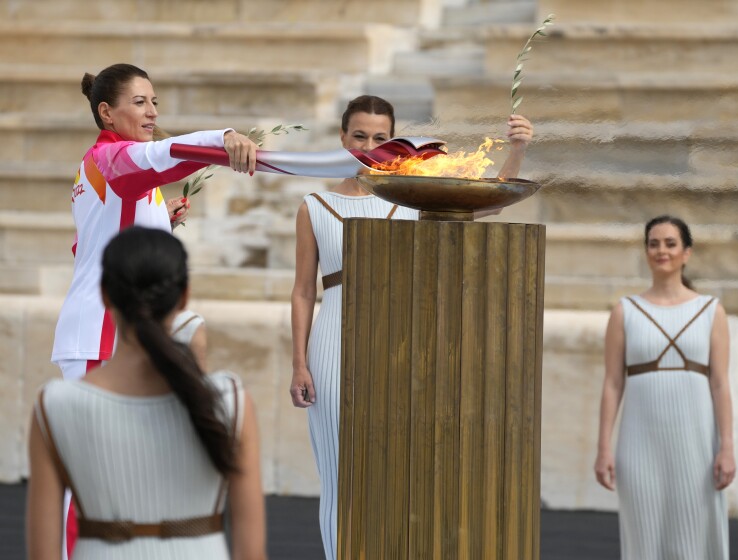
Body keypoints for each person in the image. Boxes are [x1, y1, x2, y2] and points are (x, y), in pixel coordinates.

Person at [289, 94, 534, 559]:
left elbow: (487, 204)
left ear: (396, 144)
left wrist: (517, 150)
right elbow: (304, 291)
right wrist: (299, 363)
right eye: (359, 135)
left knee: (393, 468)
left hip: (395, 340)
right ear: (342, 138)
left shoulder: (409, 200)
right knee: (340, 469)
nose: (368, 144)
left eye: (380, 138)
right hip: (334, 342)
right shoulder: (314, 205)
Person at [48, 63, 258, 557]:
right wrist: (224, 138)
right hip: (99, 333)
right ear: (106, 112)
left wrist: (162, 218)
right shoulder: (111, 159)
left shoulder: (108, 171)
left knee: (113, 476)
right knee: (87, 482)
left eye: (154, 101)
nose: (152, 111)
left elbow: (88, 248)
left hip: (107, 331)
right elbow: (164, 154)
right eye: (139, 102)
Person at [27, 227, 266, 559]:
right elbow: (251, 553)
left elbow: (42, 554)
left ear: (105, 295)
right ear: (184, 297)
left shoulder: (53, 406)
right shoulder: (231, 400)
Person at [593, 215, 736, 559]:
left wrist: (727, 447)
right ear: (646, 251)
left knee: (693, 537)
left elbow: (720, 383)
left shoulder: (710, 311)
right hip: (639, 441)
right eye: (654, 243)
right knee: (643, 536)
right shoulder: (625, 311)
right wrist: (603, 448)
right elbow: (613, 383)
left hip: (697, 441)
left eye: (670, 243)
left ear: (686, 252)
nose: (662, 251)